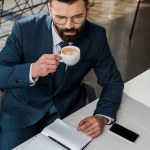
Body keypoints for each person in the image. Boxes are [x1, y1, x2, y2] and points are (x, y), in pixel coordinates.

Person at [0, 0, 124, 149]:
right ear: (49, 8)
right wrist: (32, 70)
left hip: (67, 111)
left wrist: (102, 116)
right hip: (22, 114)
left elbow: (113, 82)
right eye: (60, 17)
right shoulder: (24, 29)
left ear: (88, 8)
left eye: (78, 17)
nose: (69, 26)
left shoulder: (96, 35)